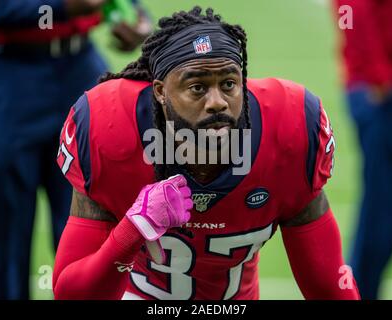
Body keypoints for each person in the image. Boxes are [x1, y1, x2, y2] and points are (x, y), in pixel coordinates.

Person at [53, 6, 360, 300]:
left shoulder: (292, 130)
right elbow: (71, 294)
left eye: (228, 84)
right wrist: (133, 231)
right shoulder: (109, 128)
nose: (217, 102)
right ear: (159, 92)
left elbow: (327, 285)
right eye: (197, 88)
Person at [0, 0, 151, 299]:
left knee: (95, 227)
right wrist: (59, 8)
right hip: (4, 72)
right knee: (1, 242)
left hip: (79, 66)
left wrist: (132, 13)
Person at [335, 0, 392, 299]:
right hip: (387, 93)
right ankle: (359, 293)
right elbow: (349, 11)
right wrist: (377, 78)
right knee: (383, 209)